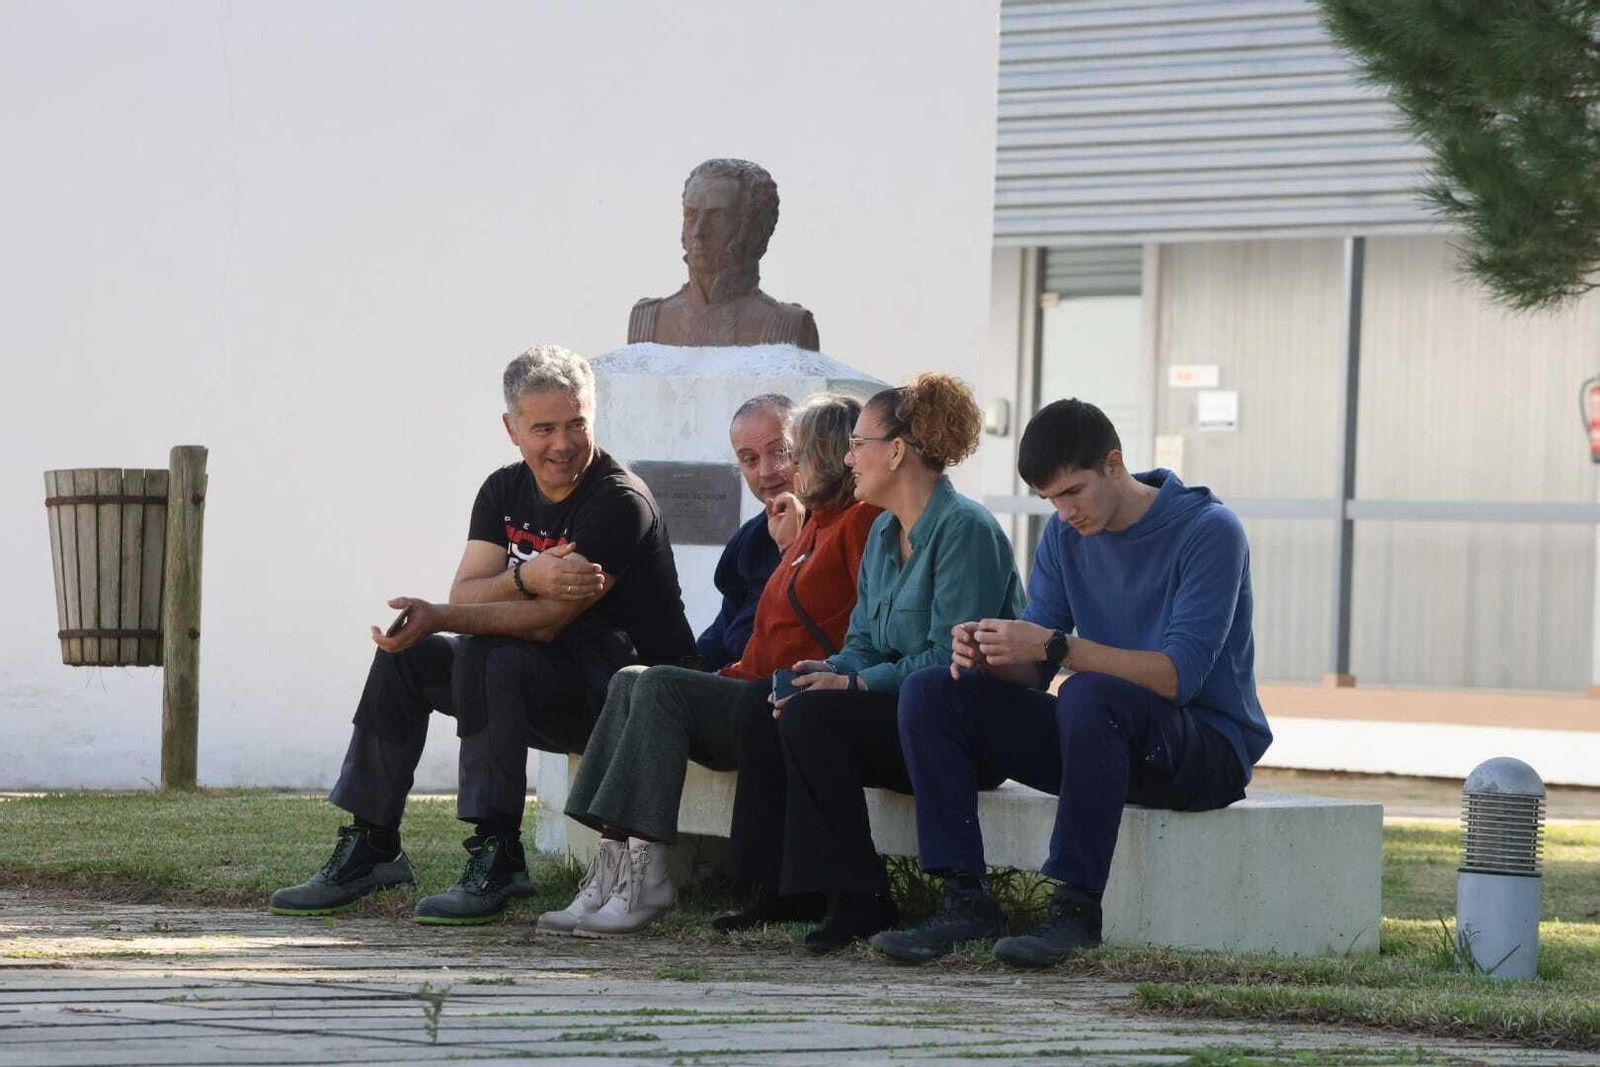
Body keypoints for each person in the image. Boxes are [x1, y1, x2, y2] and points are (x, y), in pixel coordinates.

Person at [269, 346, 694, 925]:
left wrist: (454, 610)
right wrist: (528, 574)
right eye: (543, 428)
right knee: (409, 656)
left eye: (576, 424)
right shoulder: (503, 491)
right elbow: (466, 589)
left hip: (616, 704)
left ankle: (498, 854)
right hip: (534, 683)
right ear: (511, 428)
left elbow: (544, 619)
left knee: (490, 652)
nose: (562, 444)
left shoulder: (619, 500)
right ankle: (372, 845)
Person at [871, 399, 1272, 967]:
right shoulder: (1064, 538)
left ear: (1114, 464)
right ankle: (964, 900)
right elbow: (1035, 671)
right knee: (936, 690)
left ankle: (1075, 909)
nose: (1063, 513)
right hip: (1104, 741)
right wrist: (990, 652)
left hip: (1204, 751)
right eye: (1050, 500)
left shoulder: (1209, 531)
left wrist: (1058, 648)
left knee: (1086, 691)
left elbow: (1178, 677)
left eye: (1072, 492)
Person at [541, 394, 879, 936]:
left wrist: (793, 548)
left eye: (788, 452)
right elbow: (739, 634)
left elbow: (849, 624)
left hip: (781, 699)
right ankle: (609, 869)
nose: (773, 471)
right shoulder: (794, 528)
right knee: (632, 679)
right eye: (751, 458)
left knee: (659, 688)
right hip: (747, 689)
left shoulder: (855, 524)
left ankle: (648, 876)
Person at [717, 374, 1026, 953]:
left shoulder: (966, 531)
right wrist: (824, 672)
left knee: (816, 718)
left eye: (858, 444)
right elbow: (863, 640)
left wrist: (854, 682)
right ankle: (784, 888)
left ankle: (859, 898)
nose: (847, 457)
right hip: (897, 714)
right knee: (771, 704)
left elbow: (950, 660)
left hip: (960, 732)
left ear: (898, 450)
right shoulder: (885, 531)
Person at [628, 158, 820, 350]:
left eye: (718, 216)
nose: (698, 231)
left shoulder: (789, 325)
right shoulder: (648, 321)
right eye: (691, 214)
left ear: (752, 228)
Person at [696, 394, 802, 672]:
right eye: (750, 459)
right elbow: (723, 628)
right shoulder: (751, 537)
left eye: (780, 452)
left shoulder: (834, 526)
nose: (767, 472)